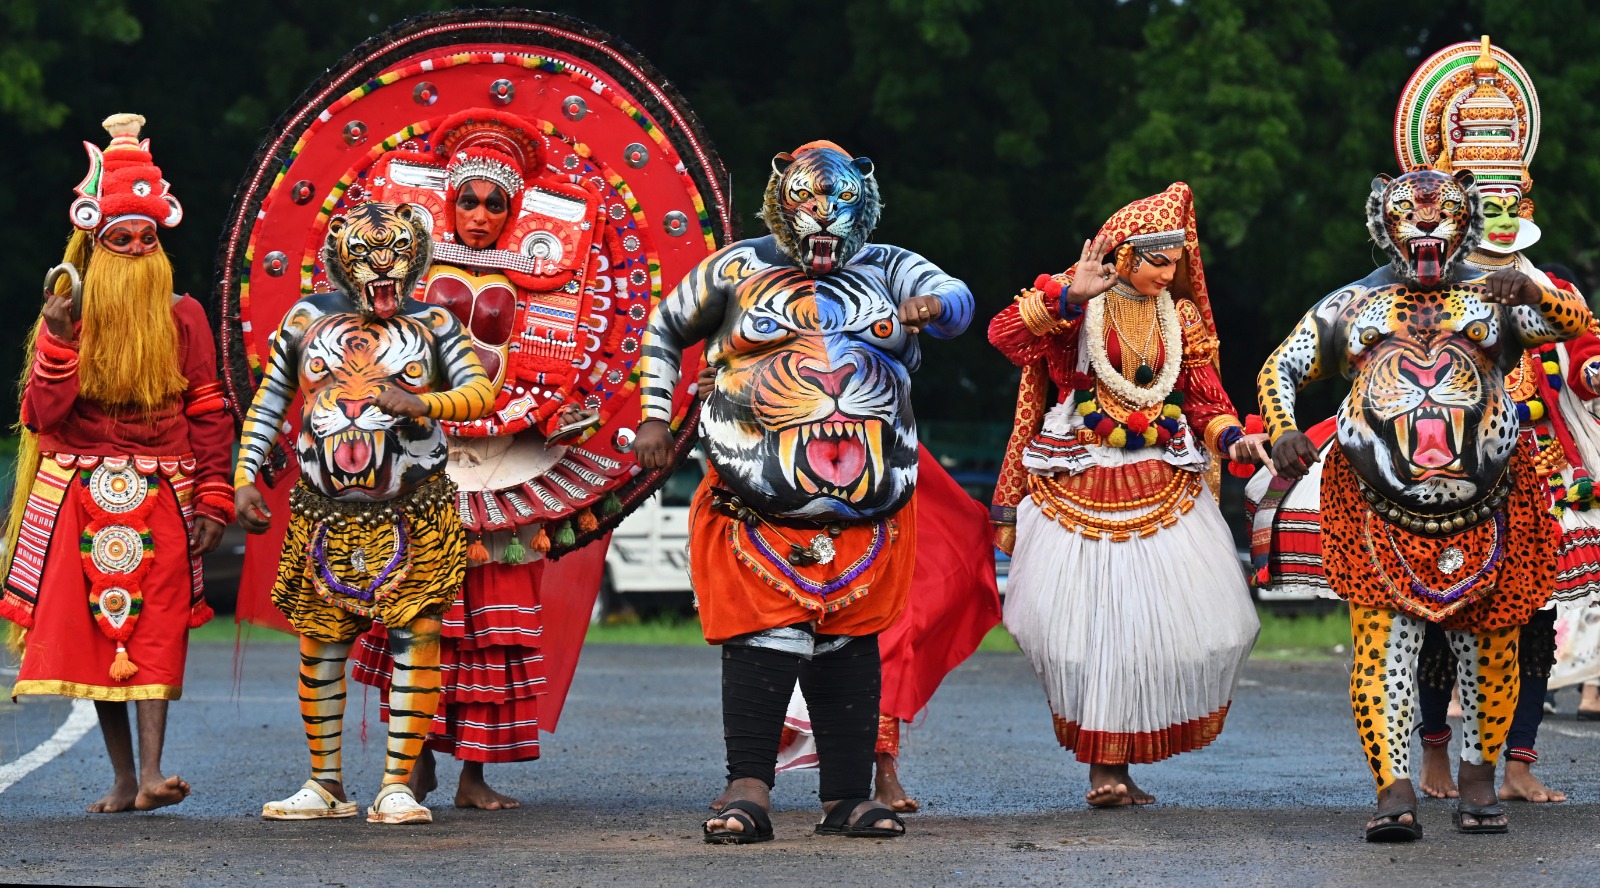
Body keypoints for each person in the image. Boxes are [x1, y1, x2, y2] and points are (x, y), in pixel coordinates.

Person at [635, 140, 973, 843]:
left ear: (865, 205)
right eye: (807, 203)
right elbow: (665, 327)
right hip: (754, 500)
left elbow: (961, 302)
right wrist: (651, 417)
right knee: (764, 637)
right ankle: (748, 790)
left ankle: (846, 799)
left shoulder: (887, 264)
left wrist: (928, 307)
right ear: (781, 202)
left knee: (849, 642)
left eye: (839, 205)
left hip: (869, 500)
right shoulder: (738, 266)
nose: (823, 219)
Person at [1259, 162, 1591, 839]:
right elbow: (1280, 367)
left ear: (1463, 219)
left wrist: (1528, 283)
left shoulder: (1499, 297)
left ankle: (1478, 785)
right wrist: (1283, 428)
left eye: (1442, 212)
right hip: (1379, 516)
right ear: (1384, 221)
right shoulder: (1350, 305)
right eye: (1411, 211)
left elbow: (1574, 319)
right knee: (1382, 657)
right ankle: (1393, 793)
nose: (1428, 222)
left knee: (1493, 652)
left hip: (1489, 510)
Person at [988, 182, 1266, 808]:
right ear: (1121, 255)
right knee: (1092, 631)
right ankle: (1104, 770)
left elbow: (1201, 397)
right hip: (1080, 474)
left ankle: (1124, 763)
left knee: (1187, 630)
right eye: (1155, 261)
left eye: (1176, 263)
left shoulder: (1182, 314)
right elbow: (1004, 338)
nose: (1168, 274)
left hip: (1162, 473)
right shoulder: (1079, 298)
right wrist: (1065, 296)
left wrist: (1232, 438)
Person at [350, 110, 597, 811]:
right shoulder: (399, 276)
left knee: (488, 628)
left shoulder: (552, 280)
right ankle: (416, 762)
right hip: (420, 462)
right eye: (468, 200)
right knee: (419, 614)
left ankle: (474, 775)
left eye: (496, 204)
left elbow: (555, 373)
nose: (481, 215)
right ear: (447, 202)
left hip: (504, 465)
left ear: (516, 211)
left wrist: (566, 414)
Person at [0, 113, 234, 813]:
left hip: (166, 489)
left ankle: (154, 772)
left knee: (156, 627)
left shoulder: (185, 315)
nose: (135, 249)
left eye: (147, 237)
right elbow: (41, 417)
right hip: (77, 489)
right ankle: (126, 779)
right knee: (104, 636)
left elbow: (210, 411)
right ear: (96, 246)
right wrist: (59, 340)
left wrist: (216, 498)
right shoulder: (68, 314)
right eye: (120, 238)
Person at [235, 201, 495, 824]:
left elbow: (483, 392)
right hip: (322, 512)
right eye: (369, 259)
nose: (384, 270)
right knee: (319, 643)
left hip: (416, 512)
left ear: (415, 258)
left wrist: (418, 401)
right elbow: (269, 402)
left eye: (397, 258)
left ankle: (397, 786)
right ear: (341, 258)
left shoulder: (435, 322)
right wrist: (245, 475)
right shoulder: (305, 318)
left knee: (417, 637)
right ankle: (325, 784)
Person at [1391, 38, 1600, 807]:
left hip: (1537, 475)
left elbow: (1584, 347)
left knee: (1534, 620)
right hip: (1440, 468)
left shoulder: (1548, 284)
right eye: (1489, 201)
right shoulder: (1423, 278)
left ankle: (1515, 763)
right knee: (1442, 619)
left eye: (1516, 201)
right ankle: (1438, 756)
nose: (1504, 215)